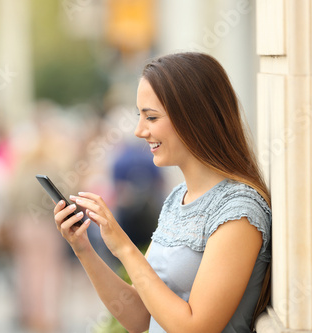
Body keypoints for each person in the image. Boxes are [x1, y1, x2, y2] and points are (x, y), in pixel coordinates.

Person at [53, 52, 272, 333]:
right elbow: (140, 317)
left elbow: (196, 328)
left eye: (151, 117)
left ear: (193, 117)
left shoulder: (240, 211)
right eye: (139, 116)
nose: (139, 131)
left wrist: (123, 247)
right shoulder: (177, 198)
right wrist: (83, 248)